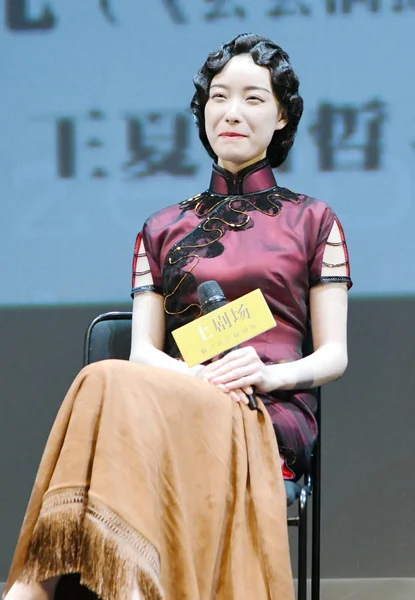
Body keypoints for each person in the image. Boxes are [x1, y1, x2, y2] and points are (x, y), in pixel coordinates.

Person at [4, 33, 351, 600]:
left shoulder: (313, 221)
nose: (231, 112)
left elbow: (334, 355)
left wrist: (267, 375)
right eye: (219, 97)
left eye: (253, 99)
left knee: (103, 381)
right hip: (179, 398)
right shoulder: (162, 227)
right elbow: (144, 351)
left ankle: (35, 589)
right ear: (203, 109)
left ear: (283, 115)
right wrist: (196, 379)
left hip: (263, 409)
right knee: (106, 376)